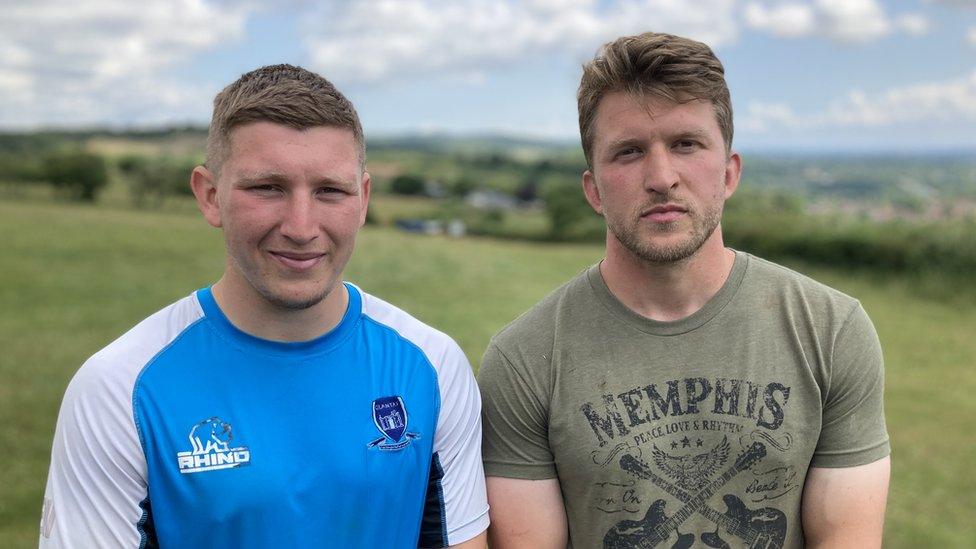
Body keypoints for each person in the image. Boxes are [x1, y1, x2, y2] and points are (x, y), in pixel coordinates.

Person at [40, 64, 489, 548]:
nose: (301, 226)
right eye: (267, 188)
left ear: (362, 200)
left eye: (329, 191)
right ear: (210, 196)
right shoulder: (118, 387)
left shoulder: (433, 366)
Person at [478, 33, 890, 548]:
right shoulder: (523, 360)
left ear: (729, 172)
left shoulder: (831, 331)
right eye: (628, 152)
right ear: (593, 190)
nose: (661, 176)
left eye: (686, 144)